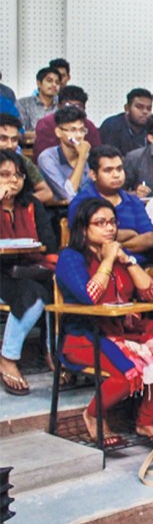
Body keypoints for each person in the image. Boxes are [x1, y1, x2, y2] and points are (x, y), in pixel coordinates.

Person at [56, 198, 153, 445]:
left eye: (112, 222)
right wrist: (107, 259)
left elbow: (151, 294)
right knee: (128, 374)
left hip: (124, 332)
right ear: (83, 229)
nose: (109, 229)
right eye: (100, 223)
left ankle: (146, 422)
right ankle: (92, 415)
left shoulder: (120, 255)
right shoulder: (70, 258)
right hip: (86, 337)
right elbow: (90, 297)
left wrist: (127, 260)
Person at [0, 151, 57, 396]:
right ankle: (8, 358)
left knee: (44, 289)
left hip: (28, 271)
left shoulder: (31, 205)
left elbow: (49, 244)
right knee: (34, 295)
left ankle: (53, 352)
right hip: (1, 273)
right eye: (5, 175)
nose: (13, 181)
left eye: (19, 175)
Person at [68, 145, 153, 257]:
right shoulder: (82, 202)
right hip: (96, 265)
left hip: (135, 264)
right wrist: (131, 234)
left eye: (119, 169)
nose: (116, 175)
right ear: (93, 175)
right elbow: (85, 238)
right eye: (108, 170)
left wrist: (117, 247)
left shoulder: (133, 201)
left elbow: (150, 238)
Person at [32, 85, 101, 160]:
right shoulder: (46, 124)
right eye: (67, 105)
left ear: (84, 108)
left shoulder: (89, 126)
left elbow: (97, 155)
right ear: (59, 106)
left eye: (78, 106)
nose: (72, 110)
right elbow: (41, 156)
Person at [37, 106, 91, 201]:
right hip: (60, 211)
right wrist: (82, 158)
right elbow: (68, 194)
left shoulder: (90, 156)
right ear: (58, 132)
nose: (78, 136)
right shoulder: (47, 158)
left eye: (82, 130)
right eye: (72, 130)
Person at [0, 115, 53, 203]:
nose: (9, 145)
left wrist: (17, 202)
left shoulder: (24, 161)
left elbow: (47, 193)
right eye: (3, 139)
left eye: (14, 139)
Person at [98, 88, 153, 155]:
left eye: (149, 108)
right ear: (127, 108)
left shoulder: (152, 128)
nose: (145, 112)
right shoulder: (112, 125)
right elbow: (109, 156)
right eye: (139, 107)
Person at [16, 67, 60, 136]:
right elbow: (19, 132)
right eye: (49, 81)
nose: (54, 85)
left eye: (57, 82)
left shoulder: (62, 105)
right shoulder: (23, 104)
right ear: (39, 83)